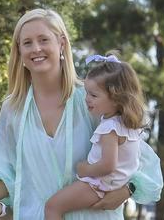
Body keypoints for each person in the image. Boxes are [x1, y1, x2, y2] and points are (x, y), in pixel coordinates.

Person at [0, 8, 163, 220]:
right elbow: (10, 174)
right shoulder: (13, 108)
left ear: (61, 43)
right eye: (27, 42)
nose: (36, 48)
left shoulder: (91, 101)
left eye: (43, 39)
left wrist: (128, 190)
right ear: (19, 50)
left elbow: (135, 155)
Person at [44, 53, 147, 219]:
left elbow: (108, 165)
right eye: (86, 93)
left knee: (52, 207)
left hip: (98, 185)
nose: (86, 100)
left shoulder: (109, 128)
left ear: (116, 98)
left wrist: (84, 169)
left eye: (93, 95)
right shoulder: (127, 125)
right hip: (113, 184)